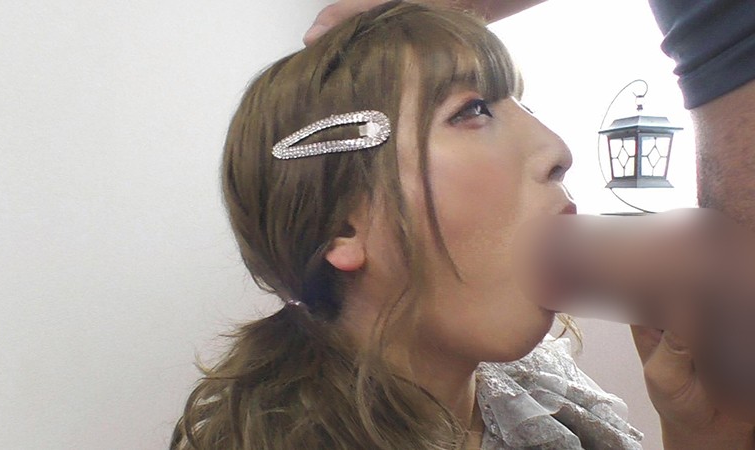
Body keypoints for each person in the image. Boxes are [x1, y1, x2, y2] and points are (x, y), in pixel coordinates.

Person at [172, 2, 753, 448]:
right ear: (340, 225)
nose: (558, 149)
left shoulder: (552, 399)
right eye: (472, 111)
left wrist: (703, 433)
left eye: (526, 108)